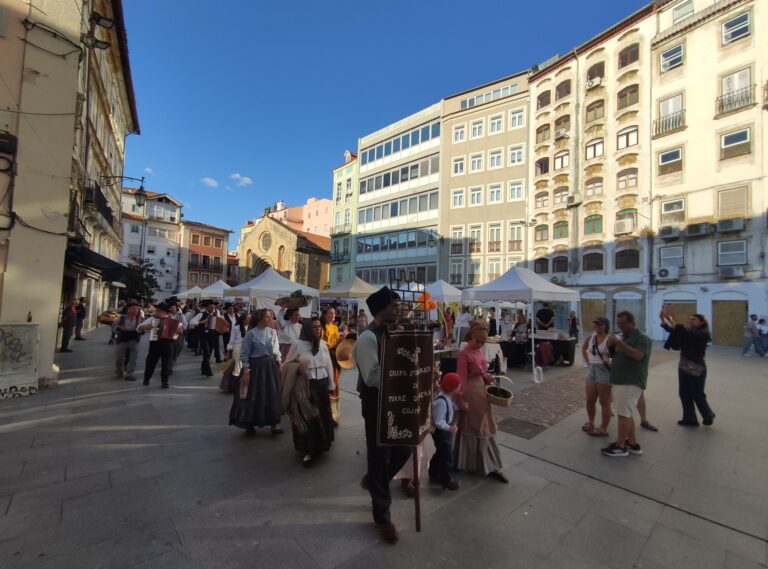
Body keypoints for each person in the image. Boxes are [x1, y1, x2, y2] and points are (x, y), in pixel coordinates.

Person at [354, 286, 409, 544]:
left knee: (405, 446)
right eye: (394, 306)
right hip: (376, 402)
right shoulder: (368, 338)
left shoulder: (393, 332)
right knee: (379, 456)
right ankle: (382, 516)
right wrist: (402, 368)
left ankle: (376, 481)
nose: (399, 310)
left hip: (395, 401)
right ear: (381, 310)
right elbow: (372, 376)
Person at [454, 321, 508, 483]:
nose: (480, 344)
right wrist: (460, 399)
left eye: (483, 341)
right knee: (477, 427)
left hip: (482, 392)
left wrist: (487, 378)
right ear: (471, 336)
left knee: (485, 426)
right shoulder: (463, 354)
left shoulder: (479, 351)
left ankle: (488, 464)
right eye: (477, 340)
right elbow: (461, 379)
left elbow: (483, 372)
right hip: (471, 392)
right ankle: (484, 465)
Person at [282, 317, 335, 466]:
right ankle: (308, 450)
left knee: (322, 416)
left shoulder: (323, 344)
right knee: (307, 419)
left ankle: (321, 445)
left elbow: (328, 365)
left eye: (319, 326)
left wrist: (331, 384)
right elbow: (286, 364)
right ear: (306, 329)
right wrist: (297, 368)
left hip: (322, 385)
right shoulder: (297, 344)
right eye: (314, 327)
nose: (318, 329)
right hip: (305, 386)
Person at [601, 311, 651, 457]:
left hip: (630, 381)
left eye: (623, 323)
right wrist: (611, 347)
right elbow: (615, 354)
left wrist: (619, 343)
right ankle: (633, 443)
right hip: (619, 379)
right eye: (618, 324)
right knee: (626, 413)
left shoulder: (642, 338)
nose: (620, 326)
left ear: (632, 322)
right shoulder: (624, 337)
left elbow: (638, 355)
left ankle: (620, 445)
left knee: (623, 415)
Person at [229, 308, 283, 436]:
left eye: (271, 317)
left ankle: (274, 424)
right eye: (267, 317)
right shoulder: (251, 334)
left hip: (270, 367)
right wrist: (247, 368)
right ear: (259, 318)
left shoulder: (272, 332)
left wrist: (279, 361)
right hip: (255, 367)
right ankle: (250, 422)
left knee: (272, 394)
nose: (270, 320)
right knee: (253, 395)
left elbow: (276, 349)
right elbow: (244, 353)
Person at [660, 307, 715, 427]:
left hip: (696, 365)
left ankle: (708, 415)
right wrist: (664, 320)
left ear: (701, 321)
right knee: (684, 392)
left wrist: (672, 319)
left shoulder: (703, 333)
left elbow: (683, 331)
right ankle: (689, 419)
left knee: (697, 393)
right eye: (690, 319)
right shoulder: (690, 331)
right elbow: (674, 331)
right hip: (684, 364)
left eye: (694, 319)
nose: (691, 321)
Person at [428, 372, 460, 491]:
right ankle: (445, 479)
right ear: (453, 388)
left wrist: (458, 406)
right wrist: (449, 428)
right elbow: (438, 421)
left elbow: (450, 405)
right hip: (441, 432)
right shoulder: (441, 401)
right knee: (447, 455)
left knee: (441, 451)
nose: (460, 386)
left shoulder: (446, 397)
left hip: (443, 431)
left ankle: (433, 471)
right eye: (458, 385)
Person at [138, 302, 182, 389]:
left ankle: (165, 382)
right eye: (157, 310)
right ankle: (146, 378)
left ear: (164, 312)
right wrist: (149, 326)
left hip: (168, 344)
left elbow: (180, 333)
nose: (156, 312)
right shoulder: (152, 319)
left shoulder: (174, 321)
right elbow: (139, 328)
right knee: (150, 362)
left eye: (158, 310)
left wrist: (178, 331)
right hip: (155, 343)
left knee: (166, 363)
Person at [580, 317, 612, 437]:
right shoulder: (591, 337)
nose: (597, 327)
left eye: (600, 325)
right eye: (596, 325)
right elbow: (584, 348)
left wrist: (609, 360)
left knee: (604, 401)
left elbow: (616, 354)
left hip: (604, 370)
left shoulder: (610, 339)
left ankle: (603, 428)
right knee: (589, 400)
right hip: (592, 368)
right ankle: (591, 422)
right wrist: (587, 362)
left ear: (605, 326)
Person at [321, 307, 343, 425]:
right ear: (325, 315)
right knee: (328, 385)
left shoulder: (334, 327)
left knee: (335, 384)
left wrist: (343, 337)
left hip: (335, 359)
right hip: (326, 360)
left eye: (334, 313)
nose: (333, 315)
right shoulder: (322, 328)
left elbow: (338, 342)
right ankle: (327, 415)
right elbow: (321, 344)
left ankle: (333, 415)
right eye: (330, 313)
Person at [189, 301, 220, 377]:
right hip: (203, 336)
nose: (213, 309)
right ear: (206, 307)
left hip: (212, 335)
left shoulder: (215, 315)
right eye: (211, 307)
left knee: (208, 353)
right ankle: (208, 371)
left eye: (214, 307)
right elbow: (191, 322)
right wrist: (201, 322)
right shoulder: (201, 314)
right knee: (206, 352)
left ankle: (203, 368)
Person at [222, 313, 251, 393]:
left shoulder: (251, 328)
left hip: (248, 347)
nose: (249, 319)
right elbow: (232, 340)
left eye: (250, 318)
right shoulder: (236, 328)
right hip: (238, 347)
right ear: (243, 320)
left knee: (247, 367)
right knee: (238, 366)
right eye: (248, 318)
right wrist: (228, 351)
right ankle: (235, 387)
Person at [114, 303, 141, 381]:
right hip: (123, 339)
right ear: (129, 310)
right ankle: (120, 371)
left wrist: (141, 328)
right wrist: (120, 328)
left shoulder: (139, 319)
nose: (135, 310)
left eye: (137, 309)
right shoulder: (122, 318)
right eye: (134, 308)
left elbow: (143, 329)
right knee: (119, 358)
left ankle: (130, 374)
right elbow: (113, 326)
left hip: (134, 339)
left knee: (133, 358)